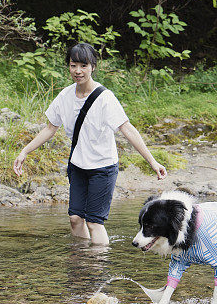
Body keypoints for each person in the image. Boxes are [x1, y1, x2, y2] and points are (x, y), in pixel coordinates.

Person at [13, 42, 167, 245]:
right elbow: (50, 128)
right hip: (78, 166)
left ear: (93, 66)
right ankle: (82, 262)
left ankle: (97, 270)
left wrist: (153, 162)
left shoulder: (105, 98)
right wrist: (24, 151)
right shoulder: (65, 96)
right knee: (75, 219)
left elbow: (127, 129)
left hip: (103, 167)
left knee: (94, 222)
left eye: (83, 66)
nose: (78, 71)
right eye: (73, 65)